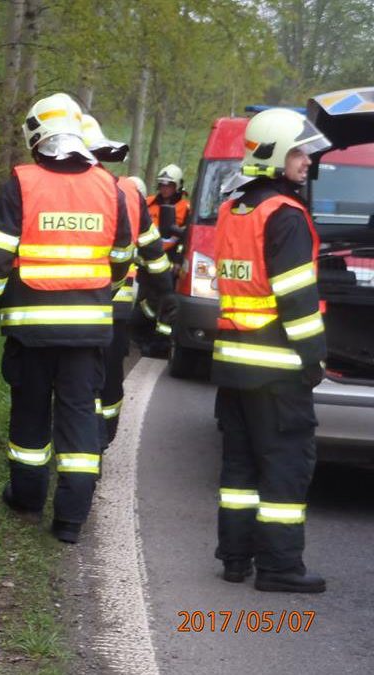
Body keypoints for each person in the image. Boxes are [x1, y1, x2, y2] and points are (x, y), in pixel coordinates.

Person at [0, 93, 133, 543]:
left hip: (31, 329)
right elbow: (122, 256)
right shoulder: (108, 187)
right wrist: (100, 295)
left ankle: (26, 497)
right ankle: (70, 520)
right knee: (79, 417)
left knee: (30, 412)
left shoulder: (21, 184)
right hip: (87, 330)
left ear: (36, 136)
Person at [211, 107, 331, 593]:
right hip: (278, 367)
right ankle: (280, 567)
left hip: (234, 363)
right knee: (285, 465)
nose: (307, 161)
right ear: (278, 154)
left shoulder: (234, 209)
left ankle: (235, 558)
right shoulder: (285, 215)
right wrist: (314, 358)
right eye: (300, 152)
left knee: (240, 465)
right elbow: (297, 298)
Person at [79, 115, 174, 448]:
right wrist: (167, 292)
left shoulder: (54, 190)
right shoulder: (129, 192)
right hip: (115, 303)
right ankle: (102, 435)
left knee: (76, 377)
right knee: (108, 371)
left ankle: (83, 434)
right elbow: (153, 251)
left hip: (66, 304)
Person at [132, 163, 192, 357]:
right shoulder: (148, 203)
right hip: (145, 264)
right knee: (144, 303)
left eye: (169, 185)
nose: (165, 188)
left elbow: (188, 239)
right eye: (162, 184)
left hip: (169, 265)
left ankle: (161, 344)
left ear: (178, 186)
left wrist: (178, 260)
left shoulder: (186, 209)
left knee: (166, 304)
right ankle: (141, 337)